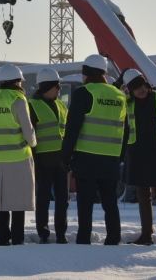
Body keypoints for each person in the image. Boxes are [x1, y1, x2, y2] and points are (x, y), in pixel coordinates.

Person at [60, 54, 126, 245]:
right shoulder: (119, 95)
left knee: (85, 203)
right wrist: (119, 156)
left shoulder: (84, 92)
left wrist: (66, 155)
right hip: (111, 158)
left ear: (86, 72)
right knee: (110, 202)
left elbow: (73, 127)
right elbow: (125, 129)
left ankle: (83, 239)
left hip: (87, 158)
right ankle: (114, 238)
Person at [0, 63, 37, 246]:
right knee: (18, 200)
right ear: (17, 81)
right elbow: (27, 130)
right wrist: (33, 143)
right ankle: (17, 239)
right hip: (18, 155)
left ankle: (3, 237)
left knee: (1, 199)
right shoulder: (18, 100)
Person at [118, 68, 156, 245]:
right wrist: (119, 81)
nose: (140, 90)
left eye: (141, 86)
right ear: (130, 90)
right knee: (143, 196)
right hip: (138, 154)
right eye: (135, 88)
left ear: (146, 84)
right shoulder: (127, 103)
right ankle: (146, 234)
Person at [28, 67, 70, 244]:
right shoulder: (32, 106)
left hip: (61, 161)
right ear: (46, 87)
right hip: (43, 161)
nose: (59, 89)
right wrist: (34, 163)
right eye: (56, 86)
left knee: (63, 200)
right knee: (43, 199)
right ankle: (43, 234)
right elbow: (30, 137)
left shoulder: (61, 105)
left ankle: (61, 234)